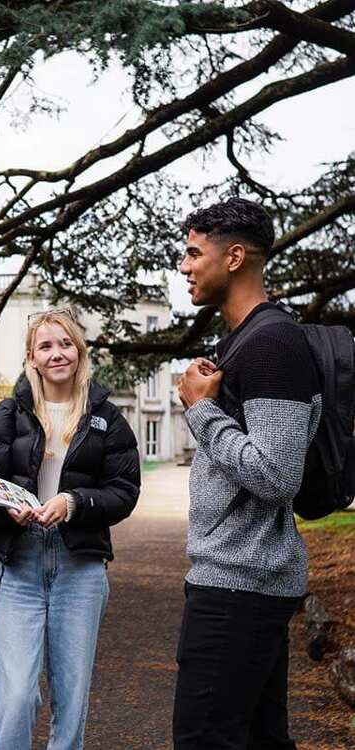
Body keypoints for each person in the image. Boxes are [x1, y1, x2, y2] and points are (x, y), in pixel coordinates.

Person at [174, 198, 322, 749]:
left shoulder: (272, 344)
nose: (185, 267)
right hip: (242, 578)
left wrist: (201, 411)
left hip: (241, 583)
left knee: (205, 740)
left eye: (194, 253)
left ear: (234, 257)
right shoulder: (243, 342)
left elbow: (278, 474)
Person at [0, 309, 140, 750]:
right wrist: (8, 509)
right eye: (46, 345)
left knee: (72, 699)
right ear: (32, 356)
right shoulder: (8, 413)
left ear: (79, 351)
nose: (57, 353)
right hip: (20, 562)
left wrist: (75, 502)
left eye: (65, 344)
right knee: (17, 695)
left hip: (79, 566)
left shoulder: (107, 417)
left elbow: (124, 490)